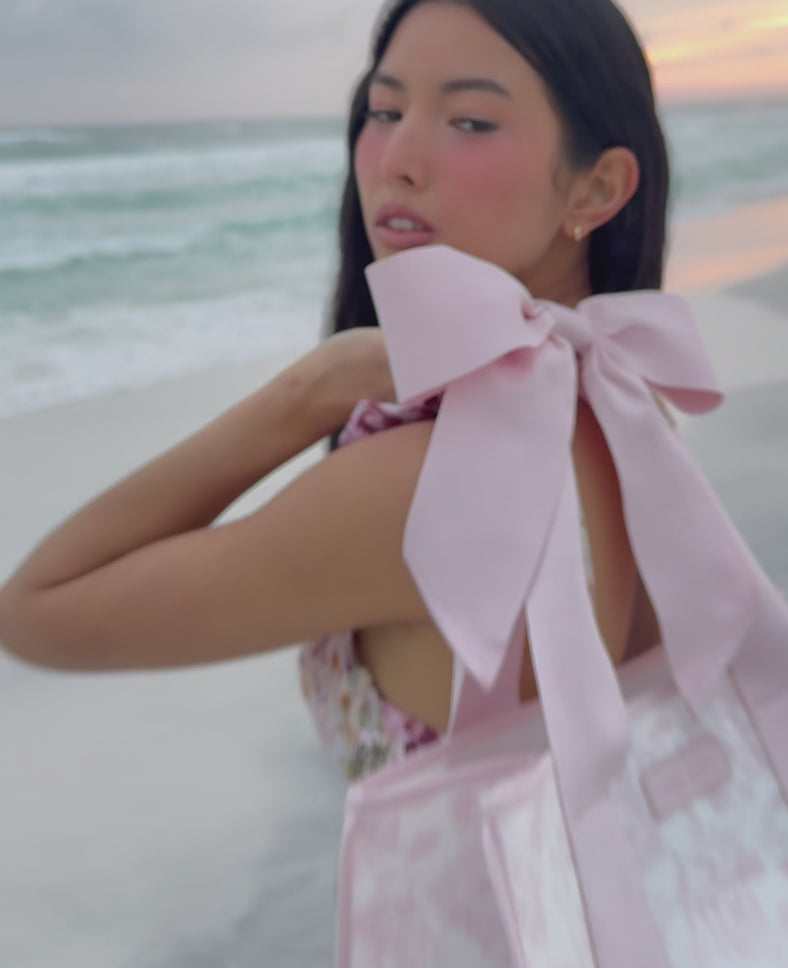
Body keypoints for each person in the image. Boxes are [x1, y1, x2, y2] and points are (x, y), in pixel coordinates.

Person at [0, 0, 670, 782]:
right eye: (385, 109)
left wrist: (311, 389)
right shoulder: (617, 398)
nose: (396, 160)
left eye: (470, 122)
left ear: (596, 190)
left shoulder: (421, 488)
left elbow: (39, 610)